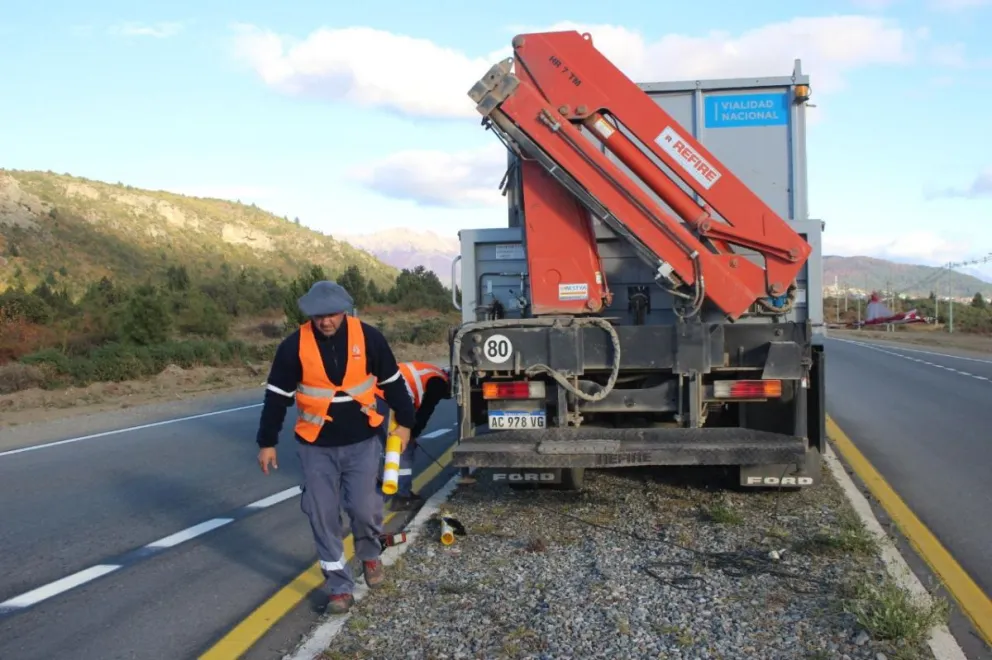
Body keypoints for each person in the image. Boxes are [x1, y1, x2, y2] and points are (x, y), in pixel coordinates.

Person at [255, 280, 415, 615]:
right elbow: (277, 397)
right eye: (318, 316)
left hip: (362, 441)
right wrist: (267, 442)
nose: (325, 321)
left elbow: (392, 382)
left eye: (331, 314)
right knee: (321, 514)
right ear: (309, 315)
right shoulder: (293, 346)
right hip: (316, 446)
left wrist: (406, 422)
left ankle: (370, 555)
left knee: (364, 508)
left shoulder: (369, 337)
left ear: (343, 310)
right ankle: (339, 587)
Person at [379, 361, 451, 509]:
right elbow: (425, 411)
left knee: (377, 445)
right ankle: (402, 497)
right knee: (404, 446)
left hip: (375, 394)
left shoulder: (429, 370)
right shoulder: (438, 381)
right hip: (389, 397)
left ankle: (382, 485)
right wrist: (412, 434)